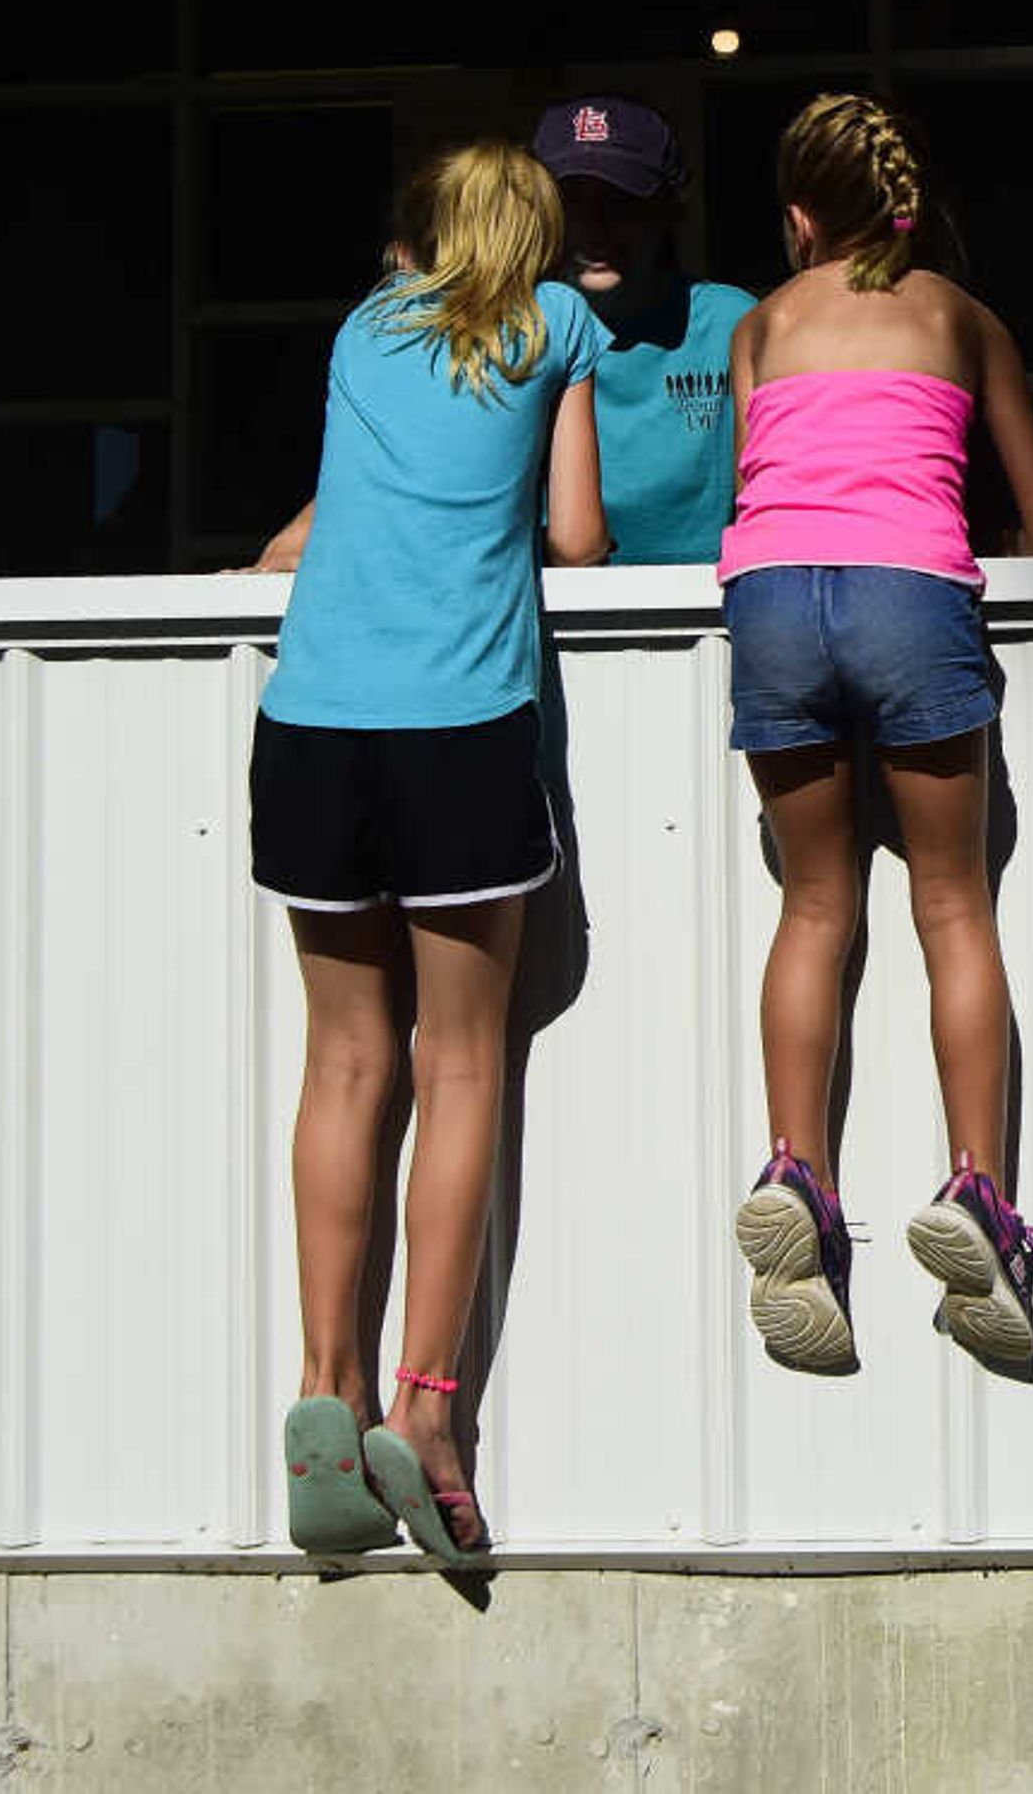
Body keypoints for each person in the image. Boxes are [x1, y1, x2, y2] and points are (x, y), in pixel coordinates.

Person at [249, 139, 612, 1563]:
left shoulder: (359, 326)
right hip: (458, 724)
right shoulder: (559, 324)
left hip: (311, 721)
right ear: (537, 234)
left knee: (343, 1059)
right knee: (462, 1065)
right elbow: (578, 536)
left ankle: (320, 1383)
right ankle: (427, 1405)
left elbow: (344, 500)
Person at [720, 92, 1033, 1381]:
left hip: (769, 597)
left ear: (803, 215)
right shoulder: (962, 318)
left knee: (815, 908)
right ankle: (977, 1191)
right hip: (906, 594)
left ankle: (796, 1179)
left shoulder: (763, 322)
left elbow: (753, 488)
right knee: (951, 909)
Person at [532, 94, 754, 565]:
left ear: (669, 210)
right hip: (557, 609)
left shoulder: (733, 325)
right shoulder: (518, 334)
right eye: (572, 203)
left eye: (619, 201)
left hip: (709, 613)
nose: (594, 226)